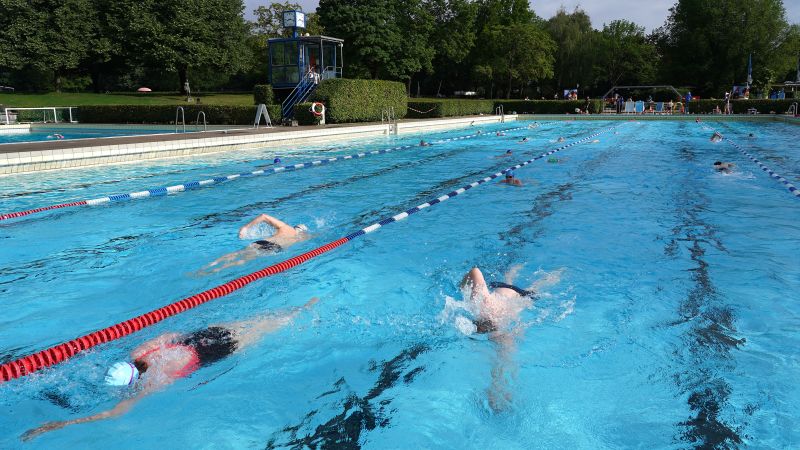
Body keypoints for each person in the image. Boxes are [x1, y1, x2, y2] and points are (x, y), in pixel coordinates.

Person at [22, 297, 319, 441]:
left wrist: (60, 425)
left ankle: (302, 312)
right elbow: (170, 334)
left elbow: (114, 413)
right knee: (258, 320)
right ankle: (301, 307)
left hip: (213, 353)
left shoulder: (154, 383)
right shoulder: (139, 352)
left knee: (267, 330)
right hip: (200, 336)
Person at [459, 266, 540, 411]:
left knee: (537, 286)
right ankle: (516, 269)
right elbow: (505, 362)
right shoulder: (484, 310)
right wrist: (463, 288)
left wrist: (464, 288)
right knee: (513, 279)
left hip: (519, 295)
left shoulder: (487, 311)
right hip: (503, 292)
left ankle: (557, 272)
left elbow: (505, 362)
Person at [198, 214, 310, 274]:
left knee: (237, 253)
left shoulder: (285, 227)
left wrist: (245, 227)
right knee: (242, 260)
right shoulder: (298, 238)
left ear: (295, 226)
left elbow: (264, 216)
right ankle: (216, 271)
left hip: (264, 241)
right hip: (274, 248)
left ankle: (210, 265)